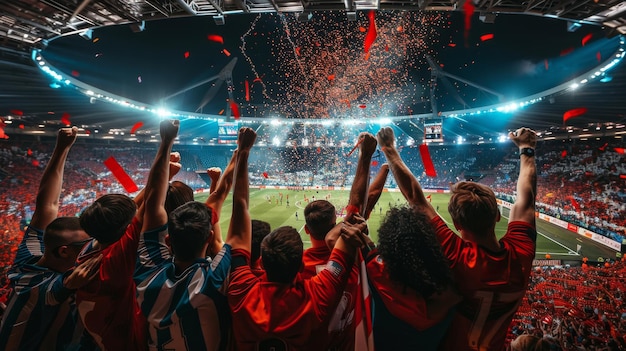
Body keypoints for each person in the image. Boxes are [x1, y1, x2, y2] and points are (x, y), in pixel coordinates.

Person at [376, 126, 537, 350]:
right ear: (499, 216)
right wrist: (527, 149)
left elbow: (416, 198)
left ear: (457, 224)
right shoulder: (522, 254)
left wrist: (389, 149)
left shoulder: (457, 256)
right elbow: (526, 198)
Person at [227, 127, 367, 350]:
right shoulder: (317, 294)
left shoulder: (241, 289)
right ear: (302, 264)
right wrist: (366, 156)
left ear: (261, 263)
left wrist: (242, 151)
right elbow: (353, 216)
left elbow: (240, 207)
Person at [75, 119, 180, 351]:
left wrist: (166, 175)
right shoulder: (116, 260)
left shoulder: (88, 250)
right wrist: (166, 142)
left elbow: (136, 207)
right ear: (124, 228)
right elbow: (150, 204)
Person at [0, 127, 101, 351]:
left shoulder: (29, 258)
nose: (89, 248)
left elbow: (47, 206)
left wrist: (62, 147)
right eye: (84, 245)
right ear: (64, 251)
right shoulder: (45, 290)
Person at [135, 145, 243, 351]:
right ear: (208, 237)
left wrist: (164, 166)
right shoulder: (214, 278)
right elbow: (219, 211)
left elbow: (146, 210)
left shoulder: (147, 271)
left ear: (168, 240)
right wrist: (240, 155)